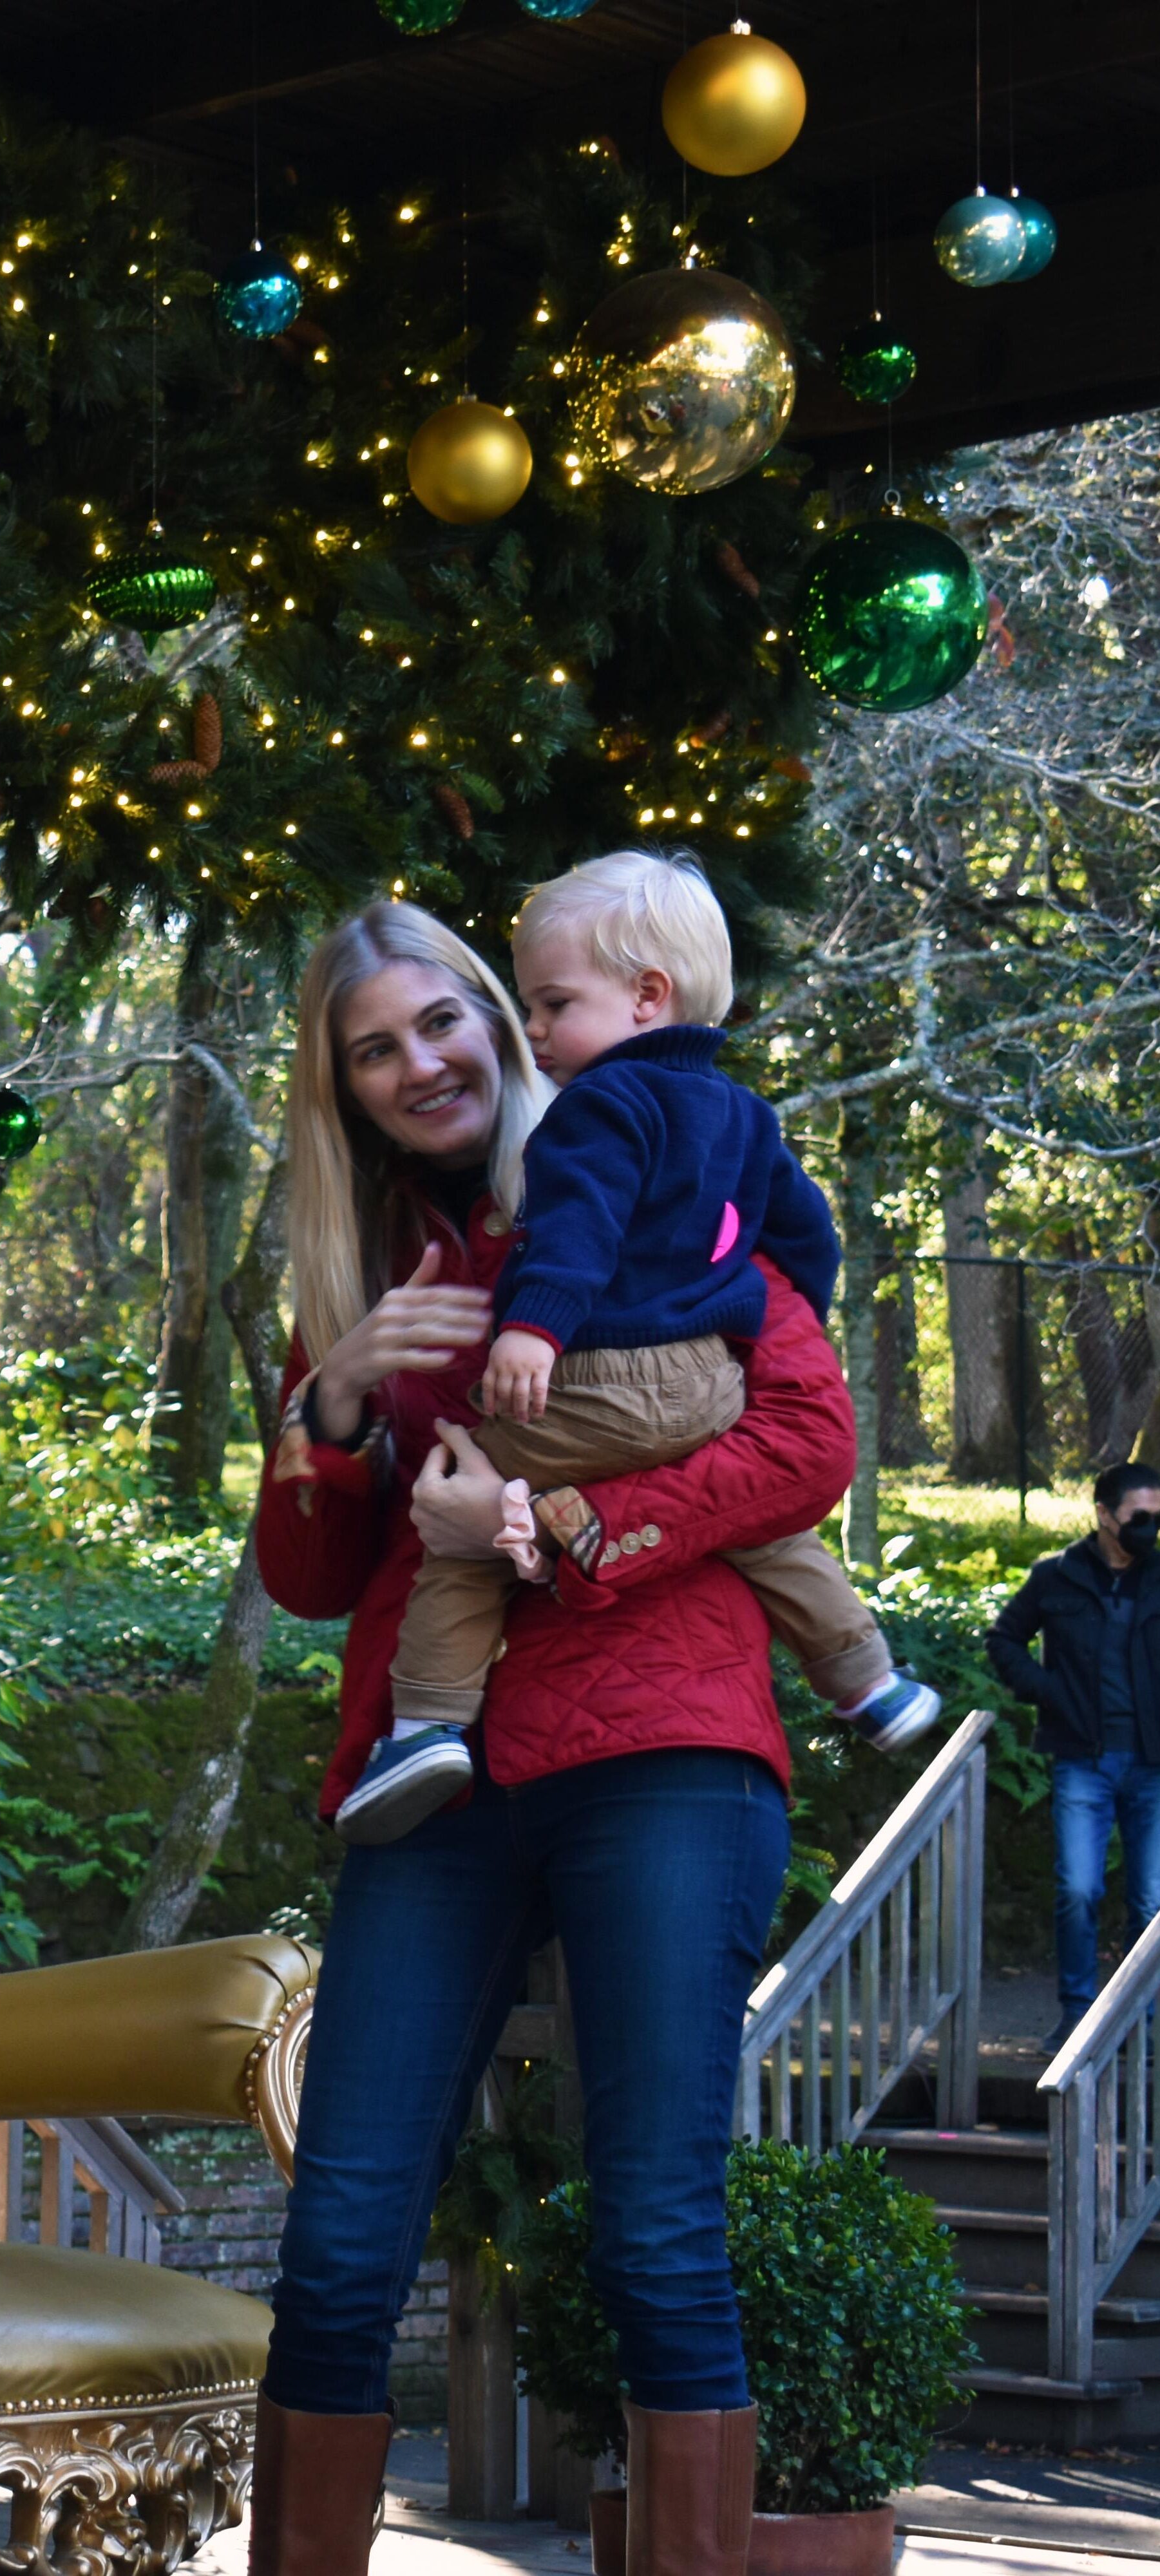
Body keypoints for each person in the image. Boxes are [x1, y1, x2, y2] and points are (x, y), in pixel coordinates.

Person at [247, 900, 855, 2576]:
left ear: (502, 1023)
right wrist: (339, 1401)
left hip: (660, 1737)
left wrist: (550, 1528)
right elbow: (307, 1576)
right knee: (344, 2231)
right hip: (432, 1778)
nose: (418, 1061)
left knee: (656, 2227)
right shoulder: (354, 1269)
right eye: (374, 1048)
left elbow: (807, 1447)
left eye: (441, 1020)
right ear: (345, 1088)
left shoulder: (653, 1161)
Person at [345, 853, 938, 1843]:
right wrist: (772, 1319)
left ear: (646, 998)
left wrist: (532, 1329)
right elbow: (807, 1234)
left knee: (465, 1516)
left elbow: (575, 1229)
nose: (530, 1030)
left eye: (551, 1003)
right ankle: (869, 1682)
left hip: (596, 1382)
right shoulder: (747, 1115)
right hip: (709, 1380)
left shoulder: (596, 1110)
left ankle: (425, 1724)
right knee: (768, 1534)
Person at [988, 1461, 1160, 2041]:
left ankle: (1145, 2023)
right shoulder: (1056, 1576)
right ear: (1105, 1514)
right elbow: (1003, 1639)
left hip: (1152, 1764)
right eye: (1140, 1517)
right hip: (1082, 1759)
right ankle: (1078, 2016)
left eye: (1158, 1518)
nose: (1150, 1528)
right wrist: (1047, 1692)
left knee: (1152, 1900)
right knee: (1079, 1889)